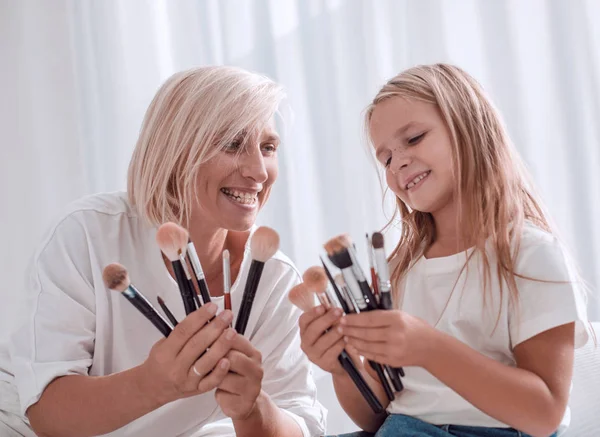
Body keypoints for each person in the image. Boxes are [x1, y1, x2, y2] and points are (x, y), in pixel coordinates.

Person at [1, 66, 326, 437]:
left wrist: (253, 409)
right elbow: (47, 415)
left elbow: (303, 422)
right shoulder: (86, 233)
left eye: (268, 148)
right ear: (176, 148)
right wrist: (153, 384)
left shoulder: (272, 277)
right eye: (233, 143)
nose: (259, 171)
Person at [300, 63, 588, 437]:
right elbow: (376, 416)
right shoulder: (400, 270)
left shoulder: (529, 255)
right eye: (385, 158)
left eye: (415, 138)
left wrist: (429, 348)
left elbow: (544, 413)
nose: (398, 161)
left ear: (469, 127)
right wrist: (342, 368)